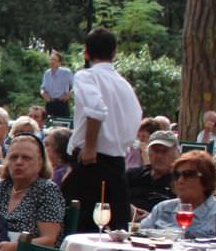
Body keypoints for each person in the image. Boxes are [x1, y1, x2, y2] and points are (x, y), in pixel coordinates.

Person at [60, 27, 140, 232]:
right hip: (117, 165)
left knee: (70, 224)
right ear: (114, 53)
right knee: (115, 228)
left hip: (92, 162)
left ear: (86, 53)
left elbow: (95, 110)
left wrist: (90, 147)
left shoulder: (86, 76)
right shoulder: (124, 85)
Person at [140, 151, 216, 239]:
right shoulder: (162, 209)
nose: (180, 180)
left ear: (207, 180)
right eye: (177, 175)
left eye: (188, 174)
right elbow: (139, 235)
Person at [127, 131, 180, 216]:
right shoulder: (132, 175)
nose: (159, 156)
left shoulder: (180, 181)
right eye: (155, 150)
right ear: (148, 152)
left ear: (176, 153)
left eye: (164, 151)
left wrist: (152, 217)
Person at [40, 49, 74, 121]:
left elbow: (75, 86)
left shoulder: (66, 72)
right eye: (51, 59)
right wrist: (43, 93)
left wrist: (68, 95)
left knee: (63, 126)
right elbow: (42, 88)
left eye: (54, 60)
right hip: (50, 103)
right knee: (49, 125)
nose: (52, 61)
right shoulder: (47, 73)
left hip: (62, 103)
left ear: (59, 62)